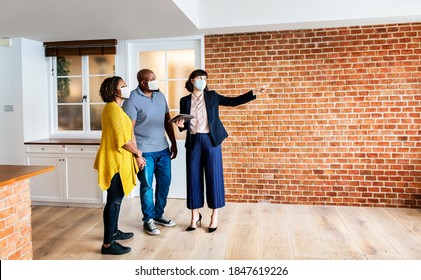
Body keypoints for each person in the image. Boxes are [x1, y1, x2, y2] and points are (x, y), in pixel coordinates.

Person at [175, 69, 269, 233]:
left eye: (204, 78)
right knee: (193, 178)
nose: (202, 81)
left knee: (214, 178)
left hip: (212, 141)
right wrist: (181, 126)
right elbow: (183, 126)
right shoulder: (184, 100)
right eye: (199, 78)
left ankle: (214, 217)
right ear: (191, 80)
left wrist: (254, 92)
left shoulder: (212, 97)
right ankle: (194, 216)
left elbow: (233, 101)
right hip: (193, 142)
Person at [94, 76, 146, 255]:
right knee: (113, 201)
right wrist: (138, 154)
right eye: (122, 86)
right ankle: (107, 244)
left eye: (125, 85)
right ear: (113, 90)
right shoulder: (111, 109)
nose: (125, 88)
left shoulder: (118, 109)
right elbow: (122, 141)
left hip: (121, 160)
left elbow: (128, 134)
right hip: (114, 161)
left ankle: (114, 232)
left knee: (117, 200)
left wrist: (136, 156)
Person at [122, 69, 177, 236]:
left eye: (155, 78)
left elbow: (167, 120)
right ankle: (148, 219)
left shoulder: (159, 96)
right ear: (142, 83)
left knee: (165, 183)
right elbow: (128, 130)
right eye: (152, 79)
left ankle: (159, 215)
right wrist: (137, 154)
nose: (155, 81)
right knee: (147, 186)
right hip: (144, 151)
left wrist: (174, 142)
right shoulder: (131, 100)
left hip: (163, 149)